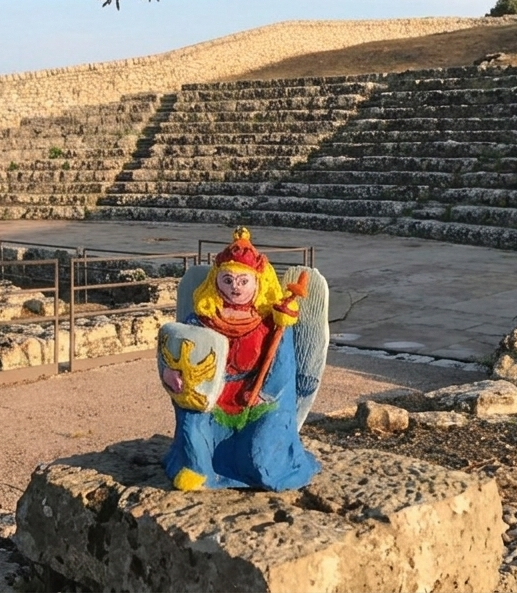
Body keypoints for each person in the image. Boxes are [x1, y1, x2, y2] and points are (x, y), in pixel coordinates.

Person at [158, 227, 321, 491]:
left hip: (257, 400)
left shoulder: (273, 323)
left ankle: (275, 468)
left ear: (258, 282)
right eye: (228, 280)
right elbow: (177, 350)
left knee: (260, 458)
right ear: (215, 281)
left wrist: (264, 395)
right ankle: (199, 470)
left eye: (243, 281)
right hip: (213, 397)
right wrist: (172, 373)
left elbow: (284, 368)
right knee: (193, 426)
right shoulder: (201, 319)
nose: (235, 287)